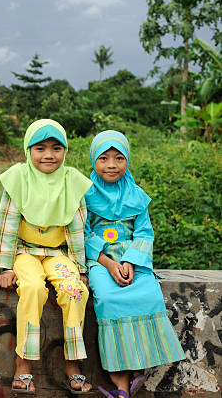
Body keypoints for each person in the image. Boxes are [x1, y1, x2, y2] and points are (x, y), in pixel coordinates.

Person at [0, 119, 93, 394]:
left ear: (65, 150)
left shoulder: (71, 181)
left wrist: (80, 268)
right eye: (40, 148)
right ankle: (23, 364)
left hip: (58, 254)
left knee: (74, 291)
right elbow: (7, 226)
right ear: (28, 150)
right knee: (33, 288)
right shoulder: (19, 178)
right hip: (24, 252)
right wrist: (3, 267)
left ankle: (73, 363)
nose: (49, 155)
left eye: (56, 148)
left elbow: (76, 230)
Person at [85, 130, 185, 398]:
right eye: (103, 158)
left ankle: (137, 370)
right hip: (100, 261)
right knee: (107, 298)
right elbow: (83, 235)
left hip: (134, 260)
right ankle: (120, 386)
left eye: (119, 158)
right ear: (93, 160)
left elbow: (144, 233)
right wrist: (108, 263)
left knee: (148, 293)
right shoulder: (84, 193)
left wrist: (129, 260)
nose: (112, 165)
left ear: (127, 160)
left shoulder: (137, 194)